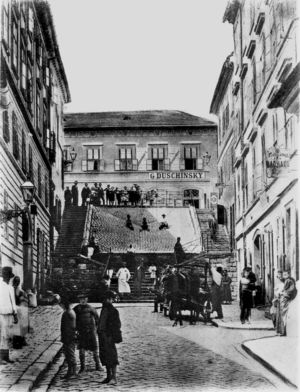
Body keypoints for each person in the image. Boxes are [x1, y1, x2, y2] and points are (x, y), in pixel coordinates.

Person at [97, 290, 122, 385]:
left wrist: (112, 336)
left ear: (111, 300)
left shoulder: (113, 311)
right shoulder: (104, 309)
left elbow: (117, 325)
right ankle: (108, 376)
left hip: (109, 336)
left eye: (108, 299)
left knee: (112, 357)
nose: (106, 301)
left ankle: (114, 378)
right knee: (104, 356)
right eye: (105, 299)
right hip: (102, 336)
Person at [73, 293, 101, 372]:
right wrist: (75, 330)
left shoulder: (91, 308)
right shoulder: (76, 309)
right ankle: (82, 367)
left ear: (87, 299)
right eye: (81, 299)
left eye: (84, 299)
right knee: (81, 350)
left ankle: (98, 365)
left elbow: (97, 319)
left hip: (91, 332)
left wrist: (96, 329)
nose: (82, 300)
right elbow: (73, 320)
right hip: (81, 332)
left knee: (95, 349)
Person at [0, 266, 18, 364]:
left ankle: (6, 357)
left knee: (7, 336)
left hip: (9, 314)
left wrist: (15, 314)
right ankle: (0, 358)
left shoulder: (10, 287)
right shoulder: (0, 285)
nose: (8, 278)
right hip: (1, 313)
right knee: (1, 335)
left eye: (9, 276)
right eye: (6, 276)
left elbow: (13, 302)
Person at [60, 298, 77, 379]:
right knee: (69, 355)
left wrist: (65, 337)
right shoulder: (70, 312)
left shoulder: (67, 313)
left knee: (70, 355)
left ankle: (73, 372)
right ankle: (70, 372)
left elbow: (67, 327)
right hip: (70, 336)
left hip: (69, 337)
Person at [277, 269, 297, 336]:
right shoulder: (286, 281)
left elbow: (291, 290)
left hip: (286, 299)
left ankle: (284, 331)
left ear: (289, 274)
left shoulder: (289, 281)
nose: (284, 276)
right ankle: (282, 331)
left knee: (284, 315)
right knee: (282, 315)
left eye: (286, 274)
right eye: (284, 275)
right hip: (283, 299)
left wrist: (283, 293)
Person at [12, 276, 28, 349]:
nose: (17, 282)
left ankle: (21, 340)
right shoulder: (17, 290)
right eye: (17, 281)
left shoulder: (16, 289)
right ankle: (19, 341)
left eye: (18, 281)